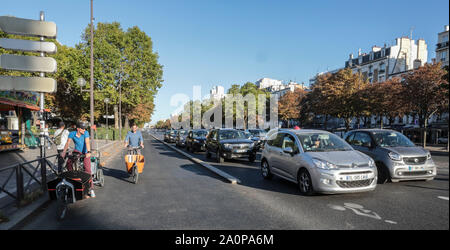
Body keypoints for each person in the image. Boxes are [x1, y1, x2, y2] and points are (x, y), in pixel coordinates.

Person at [61, 121, 95, 198]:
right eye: (82, 129)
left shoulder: (86, 133)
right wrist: (64, 152)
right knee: (69, 162)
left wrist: (89, 152)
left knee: (87, 168)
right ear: (78, 129)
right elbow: (67, 143)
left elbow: (87, 142)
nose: (84, 130)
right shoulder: (72, 134)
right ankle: (71, 178)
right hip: (77, 151)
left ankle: (91, 188)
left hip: (86, 151)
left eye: (85, 128)